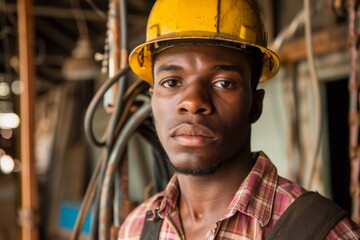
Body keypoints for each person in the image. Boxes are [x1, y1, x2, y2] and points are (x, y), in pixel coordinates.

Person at [118, 0, 360, 239]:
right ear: (152, 102)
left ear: (255, 106)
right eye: (171, 82)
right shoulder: (135, 228)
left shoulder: (324, 233)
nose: (192, 101)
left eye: (223, 83)